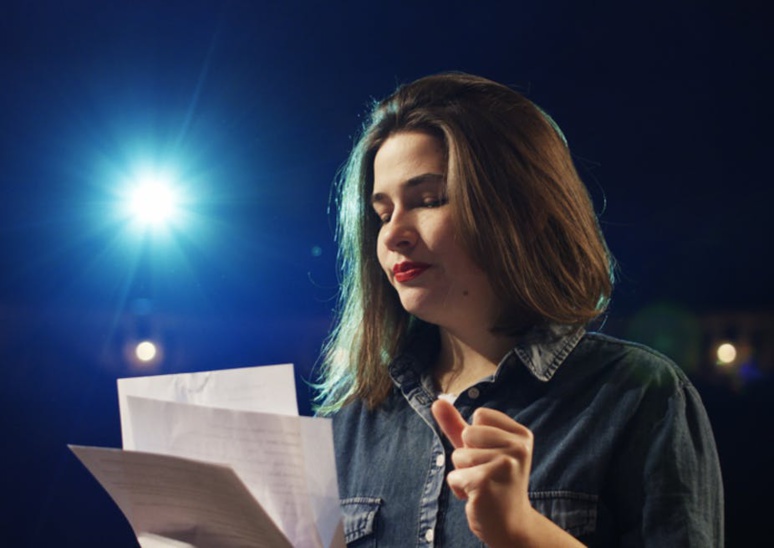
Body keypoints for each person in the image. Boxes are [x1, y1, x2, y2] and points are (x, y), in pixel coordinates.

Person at [315, 73, 723, 547]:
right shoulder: (352, 419)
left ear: (523, 212)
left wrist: (524, 531)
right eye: (383, 213)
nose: (392, 234)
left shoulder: (637, 396)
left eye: (429, 200)